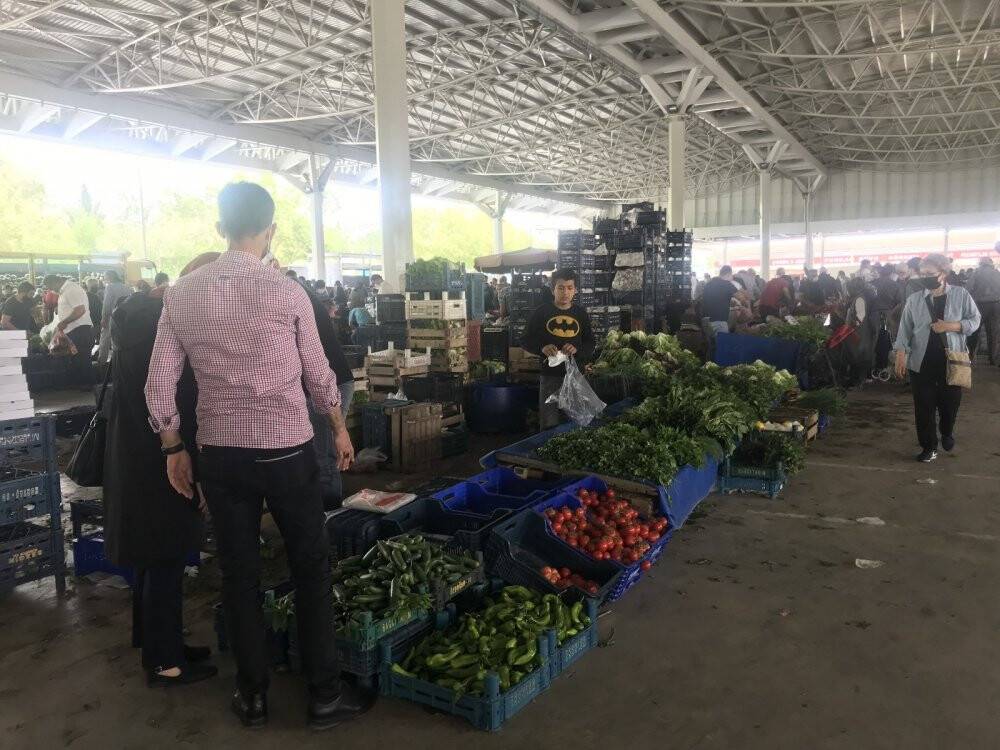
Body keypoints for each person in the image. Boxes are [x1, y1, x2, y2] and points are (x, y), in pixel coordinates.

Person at [145, 182, 369, 730]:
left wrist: (172, 444)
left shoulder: (182, 294)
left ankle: (252, 696)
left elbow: (158, 384)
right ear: (269, 229)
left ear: (220, 228)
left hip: (221, 456)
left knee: (239, 574)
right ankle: (323, 694)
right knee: (311, 568)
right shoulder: (287, 292)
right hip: (288, 451)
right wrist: (338, 428)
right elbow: (319, 374)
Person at [105, 252, 220, 689]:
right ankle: (165, 663)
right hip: (162, 462)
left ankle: (158, 642)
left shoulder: (135, 319)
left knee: (153, 560)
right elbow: (178, 403)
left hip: (134, 456)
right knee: (166, 557)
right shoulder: (164, 330)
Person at [894, 253, 980, 463]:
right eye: (922, 274)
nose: (925, 278)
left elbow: (975, 320)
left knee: (949, 405)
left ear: (943, 273)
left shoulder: (961, 295)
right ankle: (929, 446)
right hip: (921, 362)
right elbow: (905, 329)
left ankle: (947, 430)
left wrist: (951, 326)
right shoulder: (914, 300)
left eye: (930, 274)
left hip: (951, 361)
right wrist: (900, 354)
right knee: (923, 407)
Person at [302, 282, 354, 509]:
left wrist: (340, 430)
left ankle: (330, 514)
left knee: (324, 455)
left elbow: (317, 370)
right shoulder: (293, 293)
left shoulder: (291, 297)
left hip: (331, 383)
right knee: (318, 453)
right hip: (320, 382)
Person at [523, 268, 596, 430]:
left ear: (575, 290)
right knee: (549, 420)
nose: (565, 292)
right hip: (550, 375)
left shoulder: (580, 313)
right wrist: (542, 348)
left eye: (570, 288)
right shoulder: (541, 312)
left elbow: (591, 342)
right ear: (552, 289)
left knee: (577, 420)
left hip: (575, 375)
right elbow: (525, 340)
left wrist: (577, 349)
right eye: (561, 288)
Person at [44, 274, 94, 385]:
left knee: (82, 359)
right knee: (78, 359)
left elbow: (80, 310)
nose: (51, 290)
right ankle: (83, 385)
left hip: (80, 330)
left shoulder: (71, 289)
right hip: (74, 330)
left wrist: (65, 322)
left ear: (55, 282)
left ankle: (87, 387)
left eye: (50, 287)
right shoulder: (64, 291)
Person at [967, 257, 1000, 364]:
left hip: (979, 305)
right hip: (995, 305)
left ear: (980, 263)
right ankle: (993, 359)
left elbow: (968, 288)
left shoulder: (977, 273)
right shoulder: (997, 273)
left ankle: (971, 356)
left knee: (975, 331)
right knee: (993, 333)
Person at [99, 270, 131, 365]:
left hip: (111, 316)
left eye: (105, 277)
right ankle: (117, 361)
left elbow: (107, 304)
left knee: (105, 338)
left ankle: (102, 361)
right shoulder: (126, 287)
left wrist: (104, 318)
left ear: (110, 277)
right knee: (118, 340)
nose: (104, 279)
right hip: (124, 317)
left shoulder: (110, 287)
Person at [701, 265, 738, 334]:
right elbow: (741, 297)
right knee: (723, 343)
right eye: (731, 275)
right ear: (728, 274)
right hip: (719, 321)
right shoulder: (726, 284)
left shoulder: (708, 284)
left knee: (711, 343)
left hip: (706, 321)